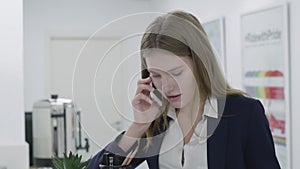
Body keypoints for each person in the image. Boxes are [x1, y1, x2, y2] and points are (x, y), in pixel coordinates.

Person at [88, 10, 280, 169]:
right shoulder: (156, 121)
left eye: (176, 73)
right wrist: (137, 127)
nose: (167, 86)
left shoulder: (244, 113)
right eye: (156, 75)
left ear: (200, 63)